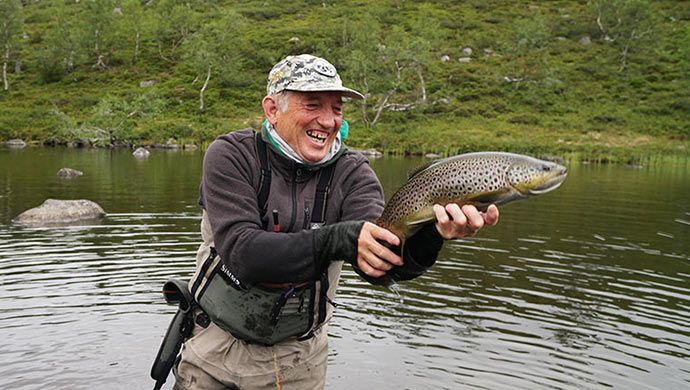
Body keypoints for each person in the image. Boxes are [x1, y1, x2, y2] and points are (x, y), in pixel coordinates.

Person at [172, 54, 499, 390]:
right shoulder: (232, 155)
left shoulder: (354, 174)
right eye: (313, 105)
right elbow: (244, 254)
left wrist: (432, 233)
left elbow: (384, 264)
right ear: (272, 110)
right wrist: (337, 239)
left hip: (300, 362)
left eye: (337, 109)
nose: (328, 121)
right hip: (213, 348)